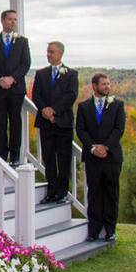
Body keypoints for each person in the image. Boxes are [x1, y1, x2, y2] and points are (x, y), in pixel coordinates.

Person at [75, 73, 126, 242]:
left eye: (108, 84)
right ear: (94, 86)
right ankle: (94, 231)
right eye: (103, 84)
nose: (107, 86)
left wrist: (105, 147)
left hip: (112, 157)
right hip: (92, 157)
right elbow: (81, 130)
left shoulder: (118, 105)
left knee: (111, 193)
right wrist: (93, 148)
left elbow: (119, 129)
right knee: (94, 193)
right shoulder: (83, 107)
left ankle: (110, 230)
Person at [31, 41, 78, 203]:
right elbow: (36, 95)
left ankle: (62, 192)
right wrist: (45, 111)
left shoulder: (71, 74)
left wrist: (54, 112)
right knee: (48, 157)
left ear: (60, 54)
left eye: (52, 52)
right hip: (45, 123)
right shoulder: (41, 73)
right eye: (47, 52)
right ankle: (51, 191)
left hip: (63, 123)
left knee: (64, 158)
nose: (48, 54)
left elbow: (71, 96)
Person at [0, 9, 31, 165]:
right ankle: (2, 155)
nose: (13, 22)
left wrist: (12, 79)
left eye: (15, 19)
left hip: (16, 89)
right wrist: (1, 79)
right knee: (0, 122)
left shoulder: (23, 41)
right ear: (2, 20)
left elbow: (25, 64)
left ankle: (15, 156)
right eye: (10, 19)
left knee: (16, 122)